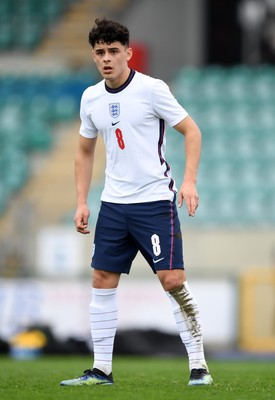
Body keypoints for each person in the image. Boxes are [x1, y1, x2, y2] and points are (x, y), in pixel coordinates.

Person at [60, 17, 213, 387]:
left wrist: (189, 182)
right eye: (100, 53)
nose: (107, 58)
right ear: (94, 57)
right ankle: (101, 370)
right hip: (113, 204)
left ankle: (199, 367)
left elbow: (191, 130)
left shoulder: (151, 89)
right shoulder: (91, 97)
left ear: (128, 52)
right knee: (101, 278)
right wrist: (82, 201)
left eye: (114, 51)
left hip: (154, 202)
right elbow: (84, 150)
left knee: (172, 279)